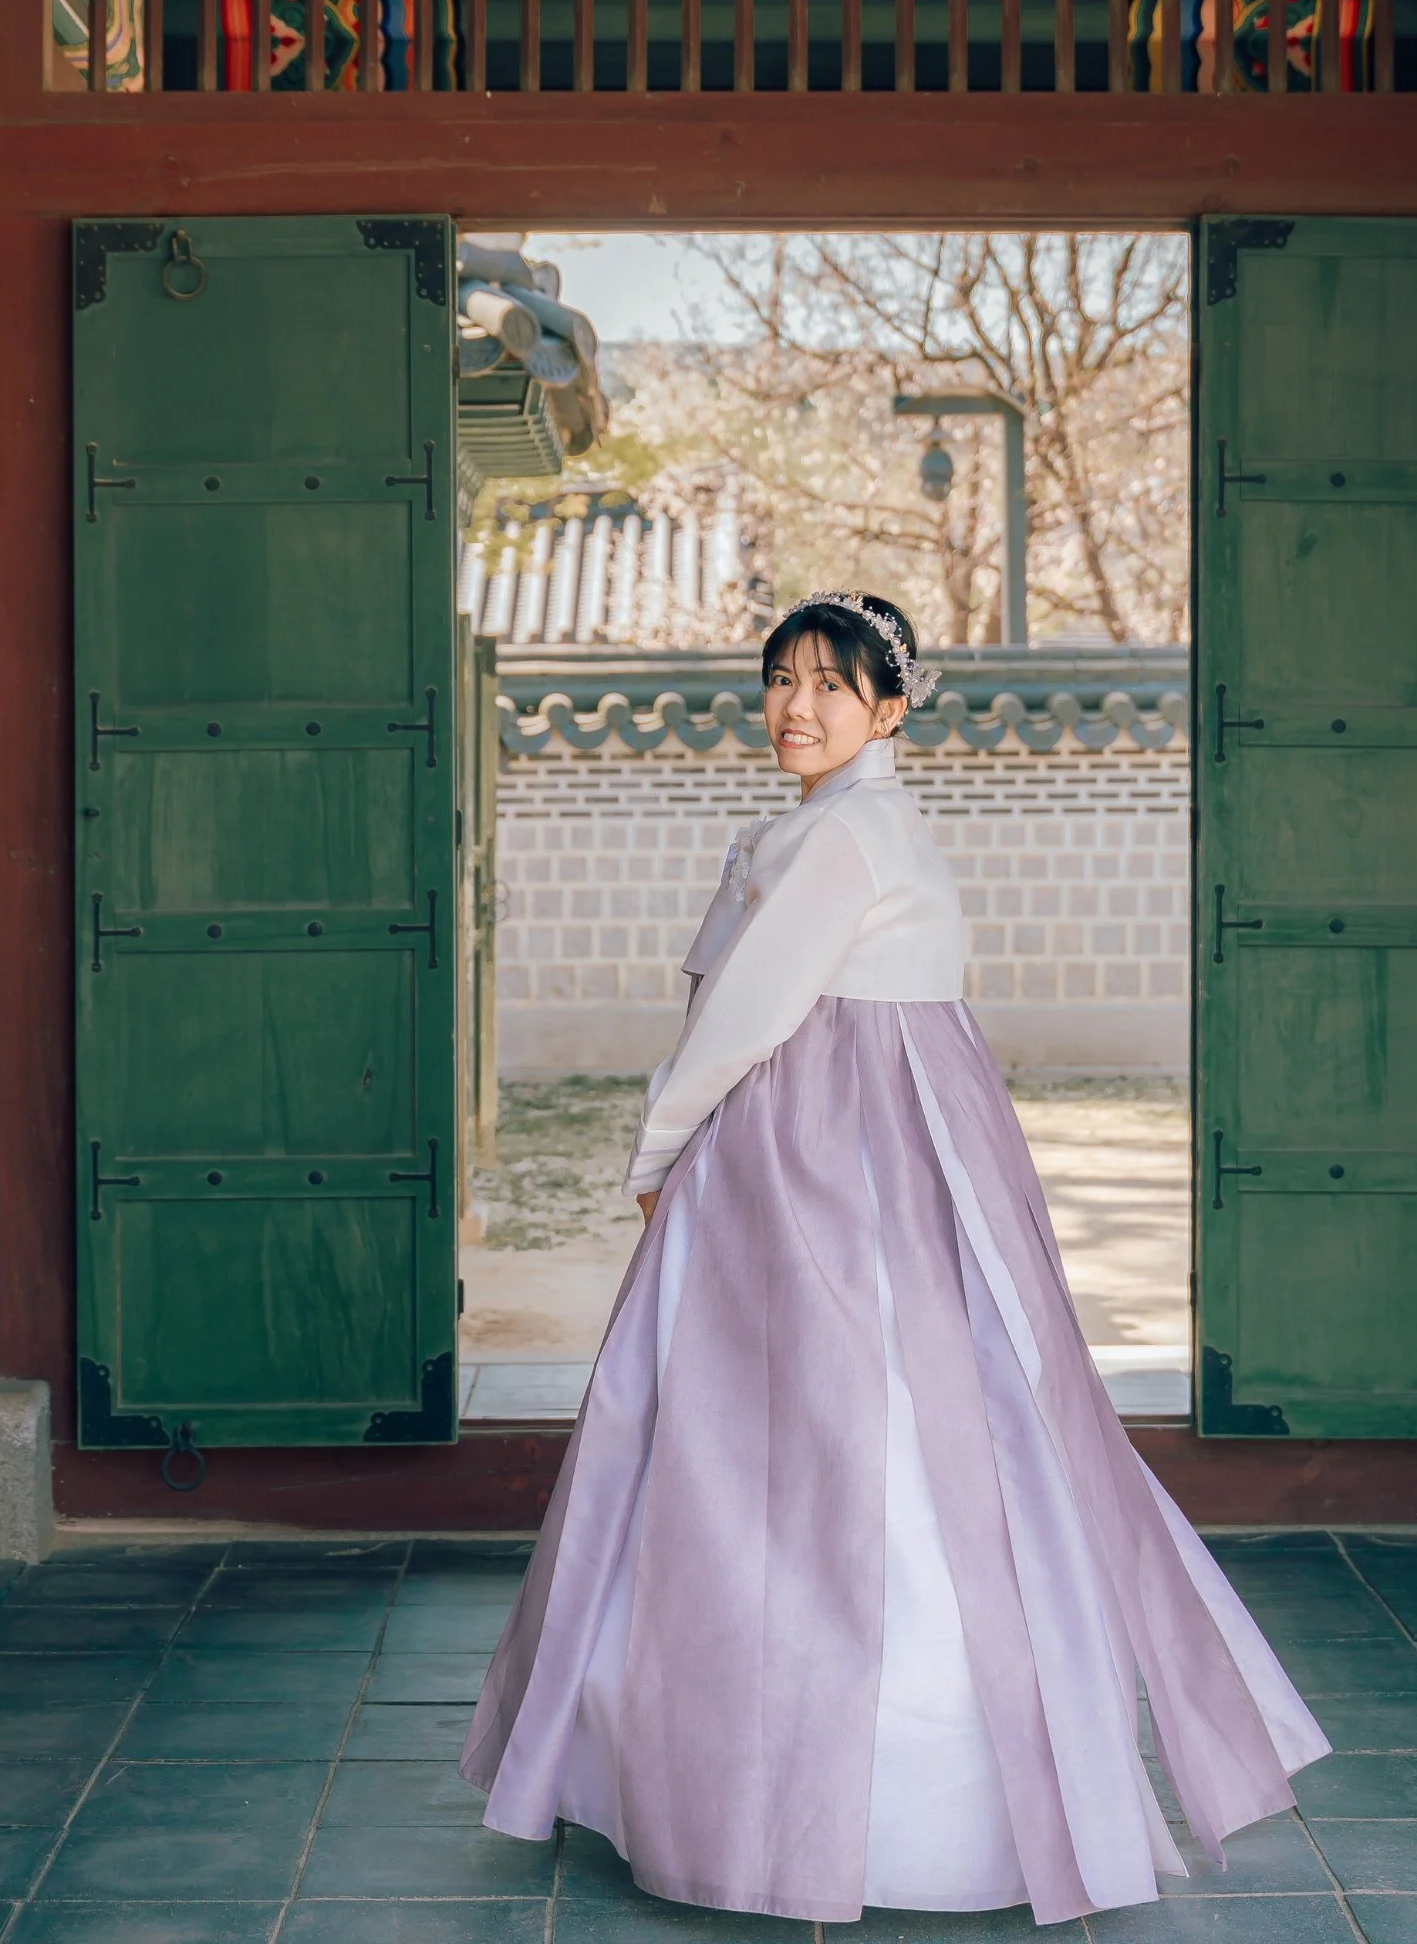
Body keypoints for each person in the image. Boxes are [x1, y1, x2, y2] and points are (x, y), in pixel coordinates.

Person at [460, 591, 1330, 1927]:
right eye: (779, 681)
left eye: (829, 684)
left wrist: (656, 1152)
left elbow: (746, 1015)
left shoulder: (845, 838)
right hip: (846, 1160)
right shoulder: (844, 828)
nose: (794, 707)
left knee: (791, 1456)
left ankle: (817, 1794)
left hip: (816, 1172)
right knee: (879, 1445)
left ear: (891, 704)